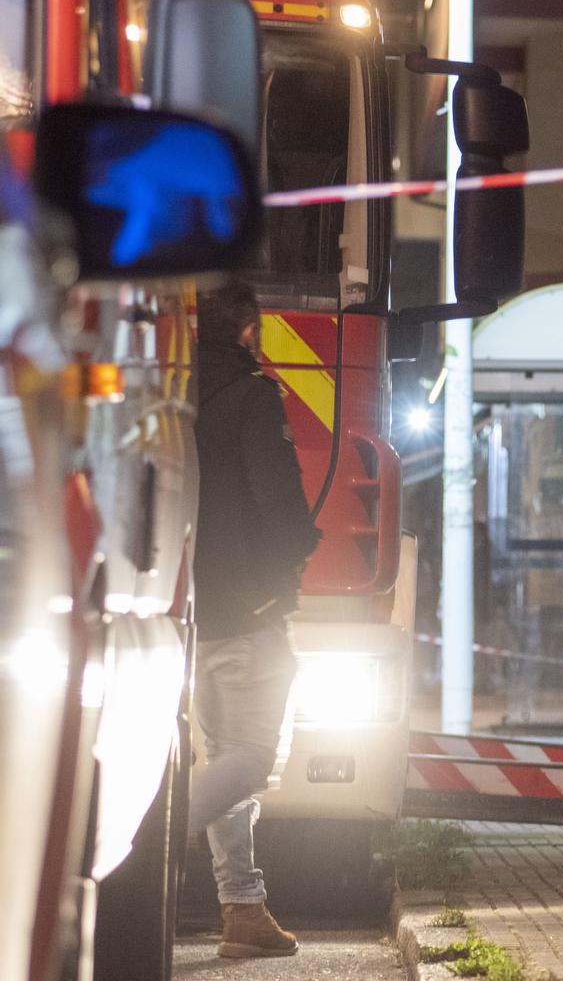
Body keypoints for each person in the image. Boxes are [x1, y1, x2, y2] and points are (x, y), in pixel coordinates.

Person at [189, 279, 323, 958]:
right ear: (247, 331)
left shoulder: (172, 395)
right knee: (253, 758)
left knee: (226, 752)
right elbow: (279, 495)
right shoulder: (250, 393)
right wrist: (303, 545)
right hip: (249, 609)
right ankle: (153, 829)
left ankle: (242, 907)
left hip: (192, 614)